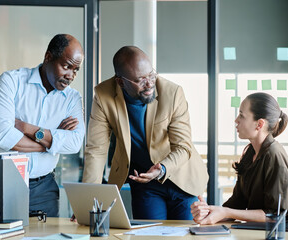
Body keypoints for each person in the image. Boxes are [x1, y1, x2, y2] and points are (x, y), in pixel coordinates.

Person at [82, 46, 208, 220]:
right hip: (145, 182)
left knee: (185, 234)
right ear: (120, 81)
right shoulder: (104, 96)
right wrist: (89, 200)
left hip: (181, 177)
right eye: (140, 80)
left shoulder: (172, 93)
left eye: (151, 75)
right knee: (148, 235)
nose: (149, 84)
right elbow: (96, 150)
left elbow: (183, 146)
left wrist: (161, 168)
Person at [0, 34, 85, 217]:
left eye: (76, 70)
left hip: (44, 189)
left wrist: (26, 128)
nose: (70, 75)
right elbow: (3, 136)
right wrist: (52, 142)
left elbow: (74, 144)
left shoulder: (72, 99)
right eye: (66, 66)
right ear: (48, 57)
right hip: (4, 182)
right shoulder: (11, 81)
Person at [191, 92, 288, 224]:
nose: (236, 120)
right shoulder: (250, 153)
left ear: (259, 124)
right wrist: (209, 213)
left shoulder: (274, 155)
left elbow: (277, 216)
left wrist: (226, 212)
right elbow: (238, 203)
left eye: (242, 115)